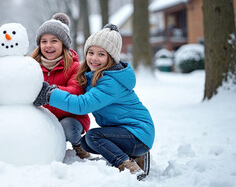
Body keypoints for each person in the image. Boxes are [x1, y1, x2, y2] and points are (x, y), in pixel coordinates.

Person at [34, 24, 155, 180]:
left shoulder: (110, 82)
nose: (94, 58)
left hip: (138, 134)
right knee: (86, 142)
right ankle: (134, 155)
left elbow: (82, 104)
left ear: (111, 58)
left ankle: (128, 165)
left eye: (101, 54)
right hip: (128, 132)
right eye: (90, 52)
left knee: (93, 137)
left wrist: (50, 94)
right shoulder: (93, 76)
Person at [30, 13, 91, 159]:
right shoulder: (31, 66)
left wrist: (51, 92)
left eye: (54, 41)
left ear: (63, 44)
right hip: (41, 118)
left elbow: (76, 91)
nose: (48, 45)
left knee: (68, 127)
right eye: (44, 41)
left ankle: (78, 146)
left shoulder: (75, 67)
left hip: (69, 117)